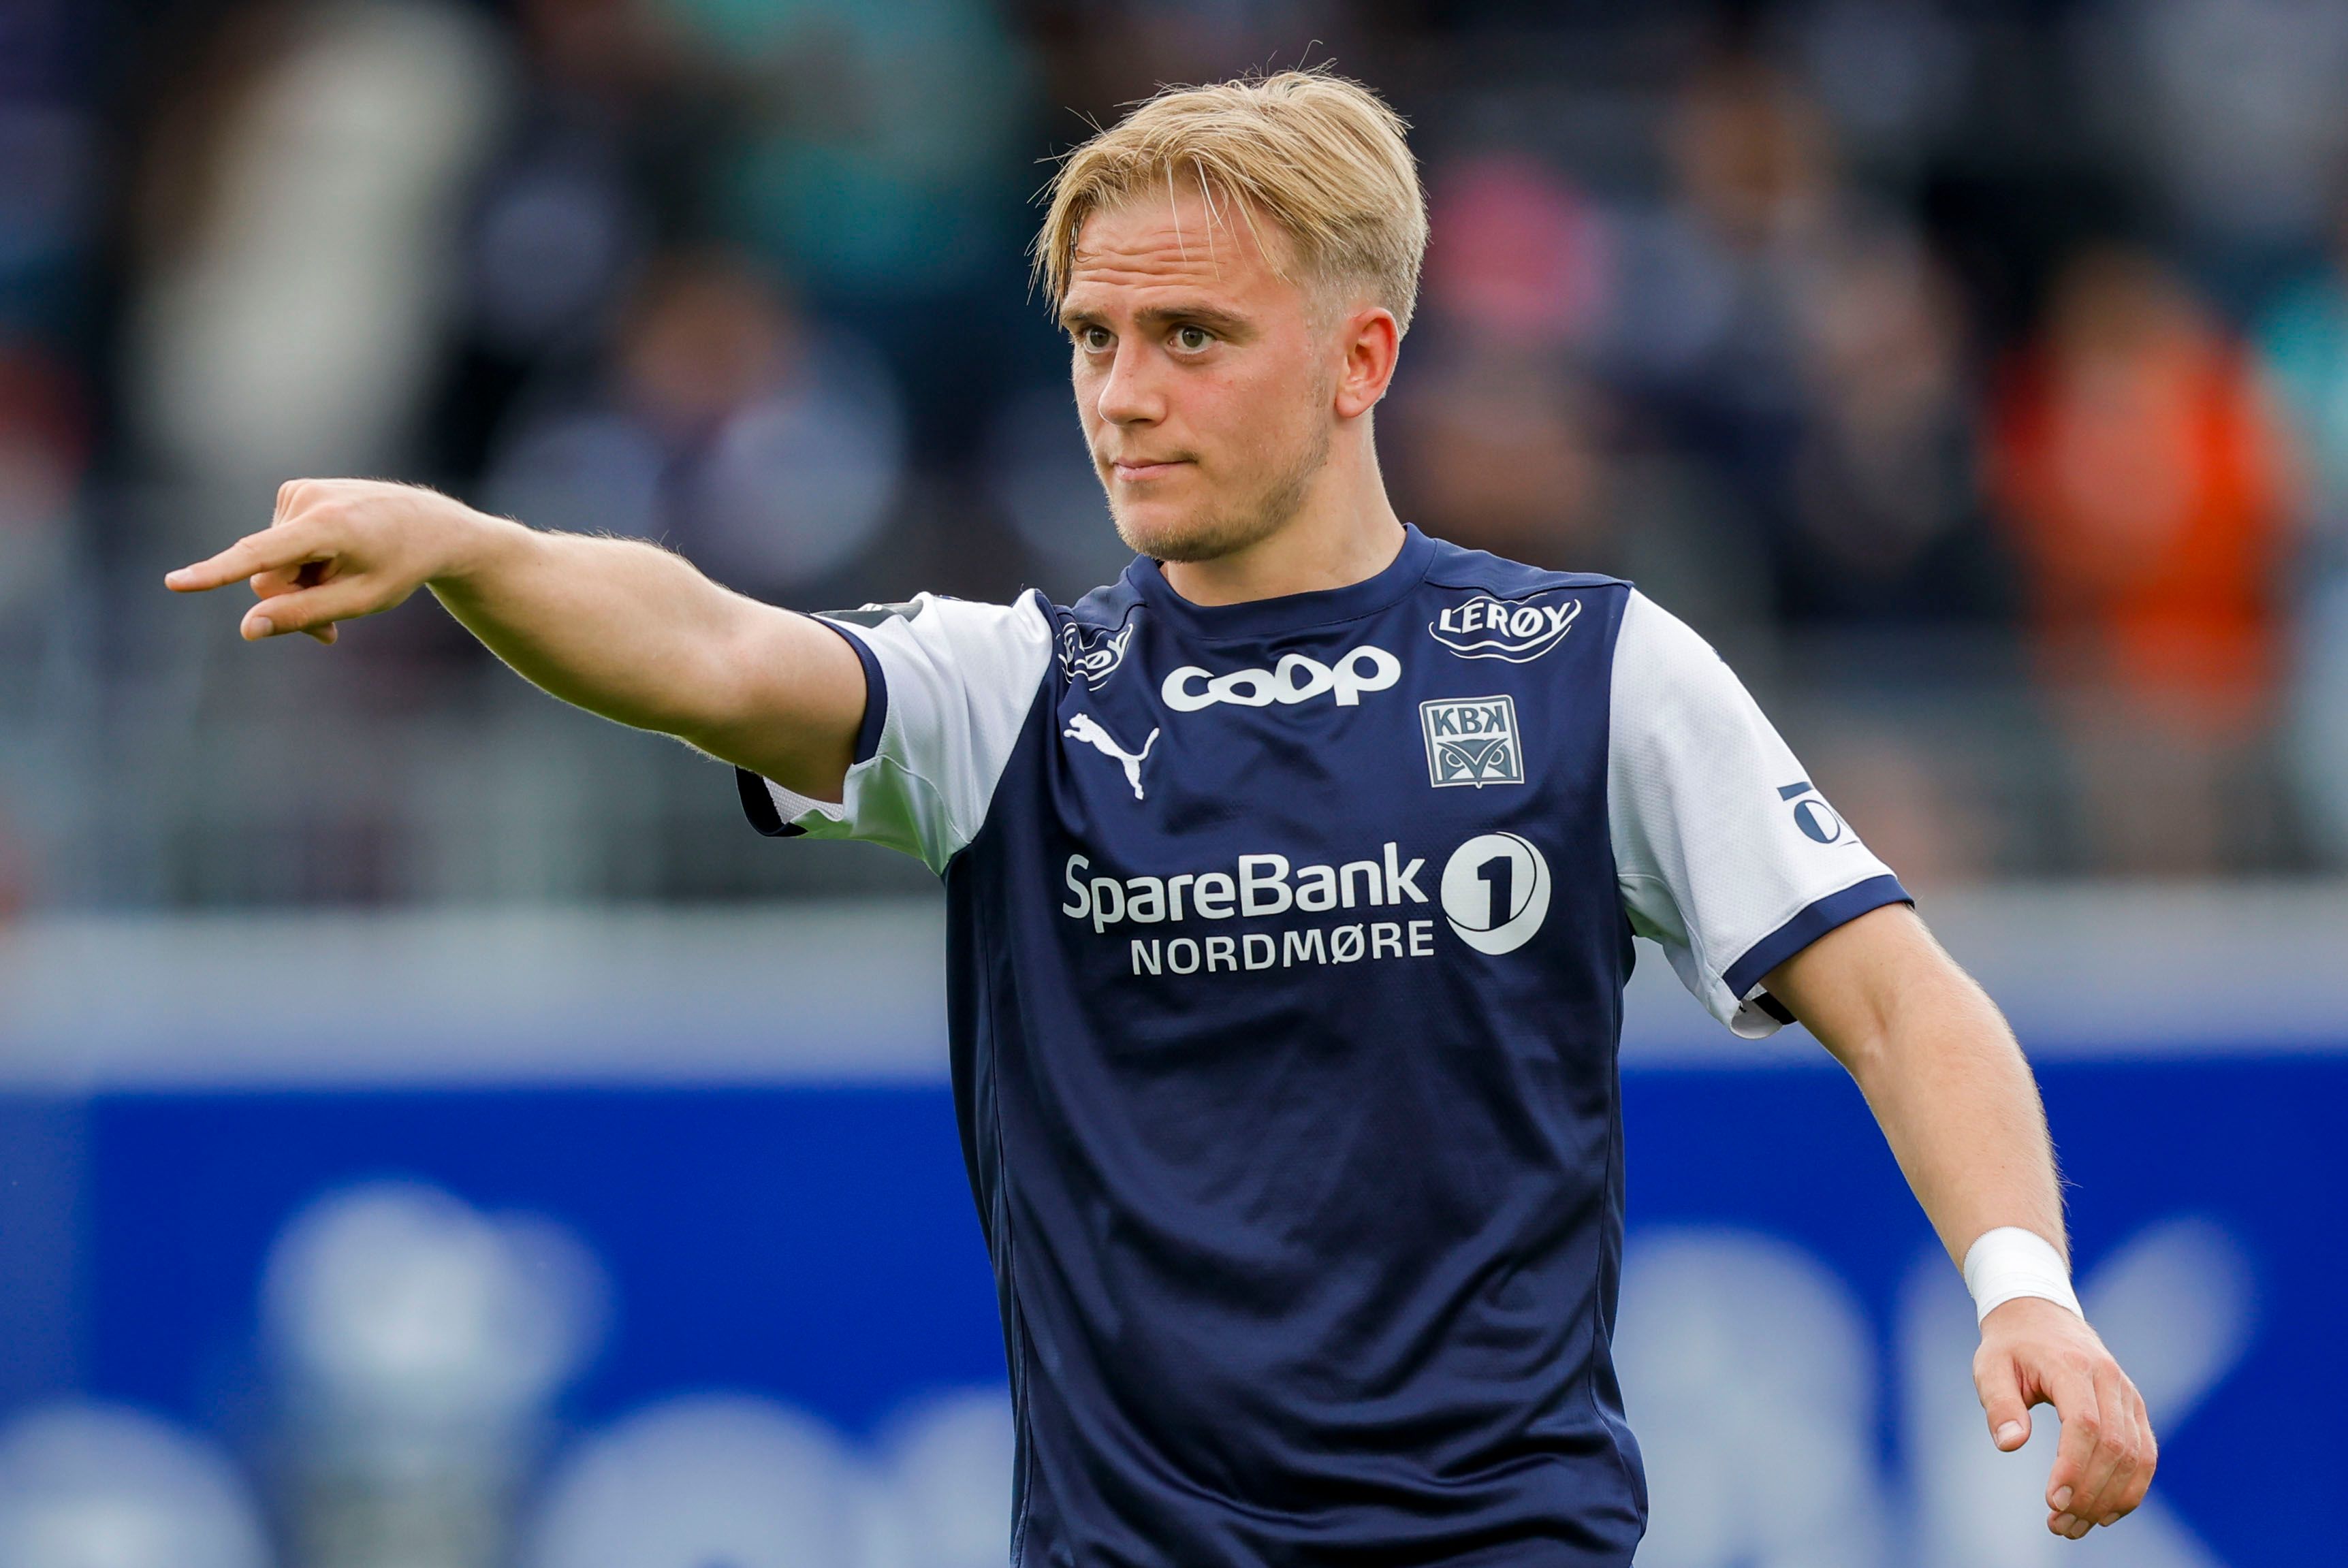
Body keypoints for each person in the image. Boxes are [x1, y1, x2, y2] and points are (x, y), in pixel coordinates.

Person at [166, 69, 2154, 1565]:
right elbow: (707, 648)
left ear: (1363, 358)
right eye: (1095, 340)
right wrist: (477, 550)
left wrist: (2027, 1292)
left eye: (1191, 338)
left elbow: (1901, 996)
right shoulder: (1015, 690)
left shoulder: (1589, 669)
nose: (1124, 393)